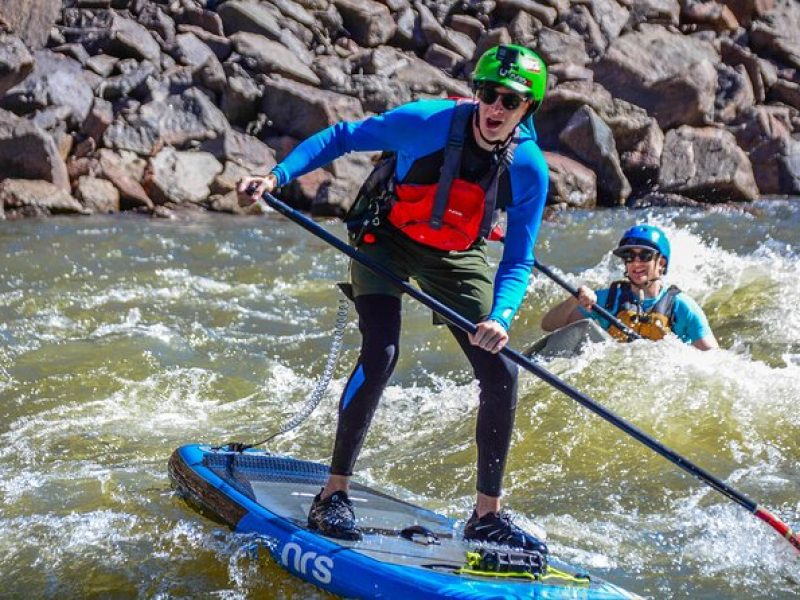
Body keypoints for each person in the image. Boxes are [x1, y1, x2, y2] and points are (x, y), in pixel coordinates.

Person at [237, 45, 550, 553]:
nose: (496, 109)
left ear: (527, 110)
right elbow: (343, 137)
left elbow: (518, 258)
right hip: (386, 238)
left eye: (510, 102)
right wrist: (277, 176)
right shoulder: (425, 121)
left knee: (501, 369)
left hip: (455, 253)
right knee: (381, 353)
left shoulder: (530, 169)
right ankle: (333, 494)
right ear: (477, 93)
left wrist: (501, 316)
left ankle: (485, 516)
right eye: (490, 95)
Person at [540, 224, 719, 350]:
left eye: (645, 256)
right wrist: (574, 299)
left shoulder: (682, 306)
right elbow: (549, 325)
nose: (635, 263)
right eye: (629, 256)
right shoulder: (607, 299)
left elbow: (712, 357)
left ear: (661, 263)